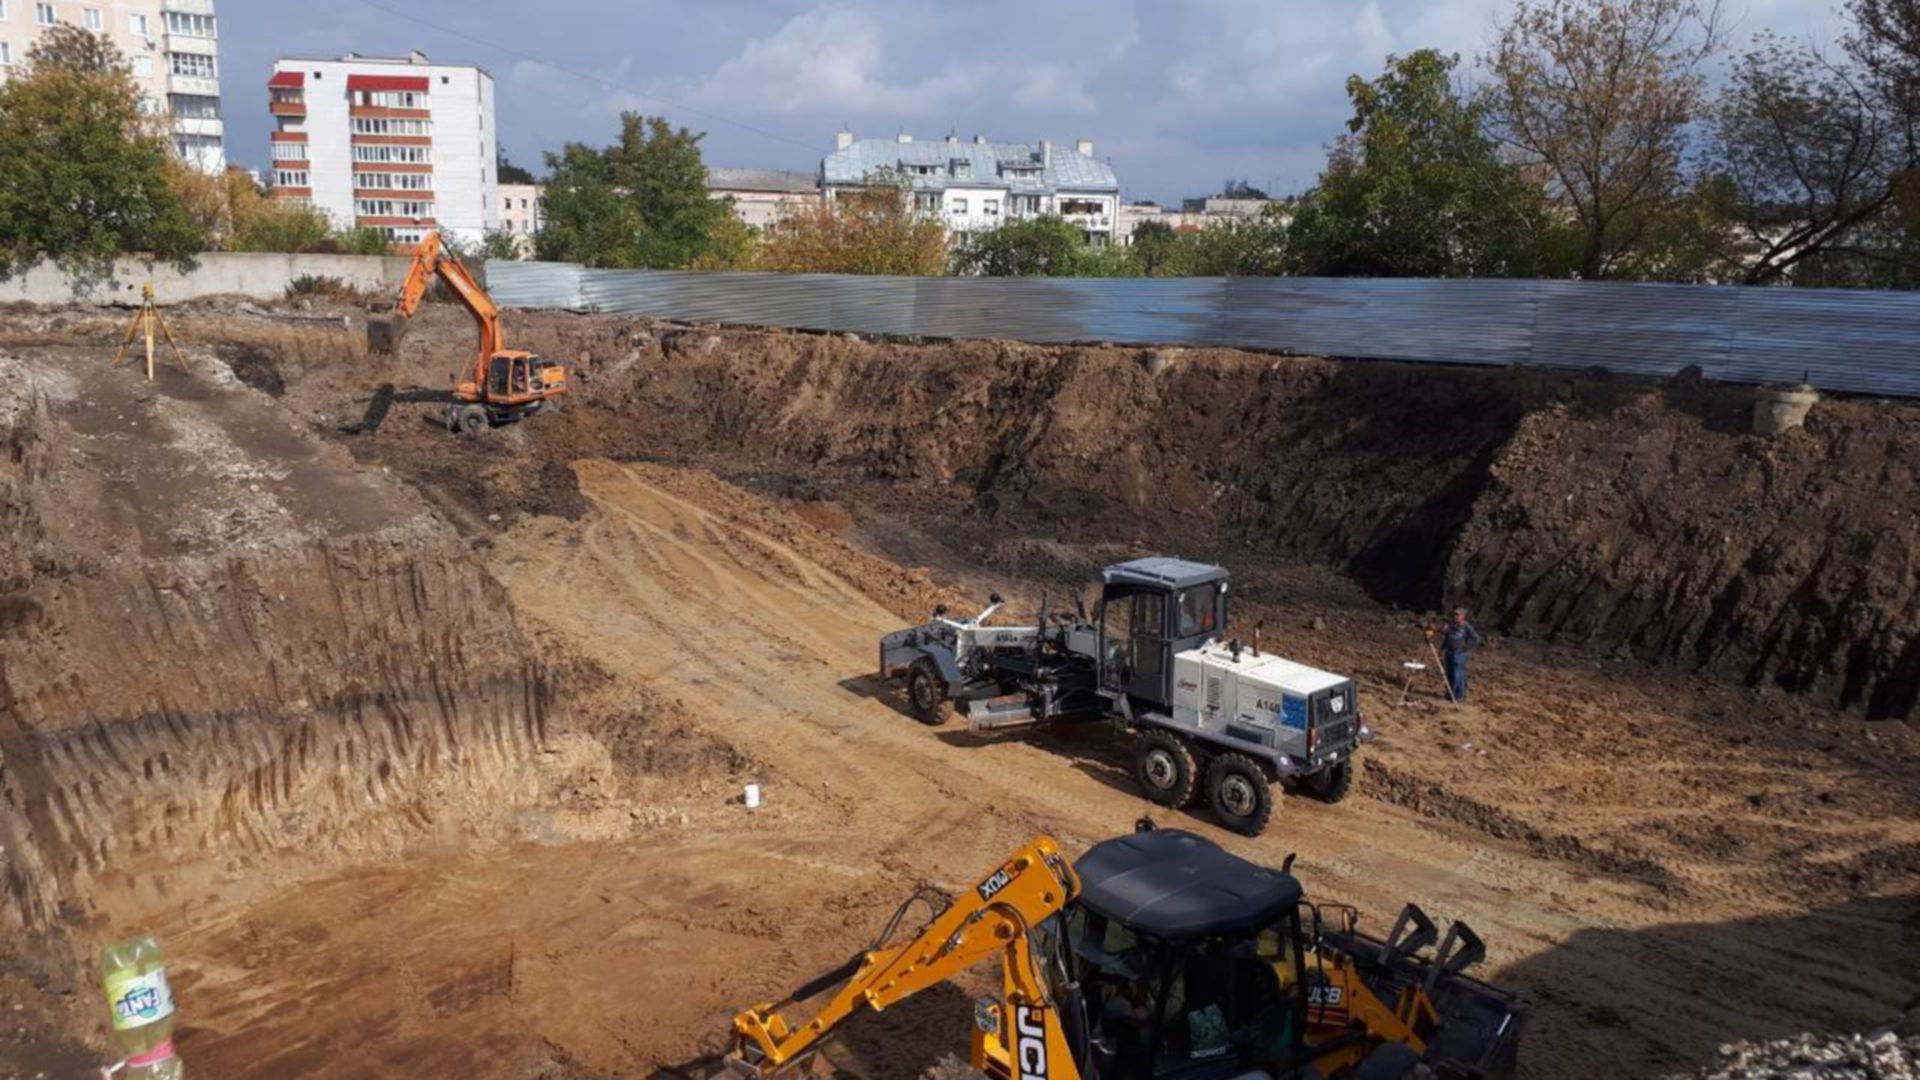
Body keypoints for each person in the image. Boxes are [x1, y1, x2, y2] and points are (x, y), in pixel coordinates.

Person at [1438, 608, 1484, 702]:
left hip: (1458, 654)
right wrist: (1442, 649)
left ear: (1463, 616)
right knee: (1449, 674)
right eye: (1454, 614)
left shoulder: (1466, 626)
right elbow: (1447, 637)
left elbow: (1477, 639)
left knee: (1458, 675)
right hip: (1449, 652)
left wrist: (1465, 648)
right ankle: (1450, 693)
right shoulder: (1451, 625)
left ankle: (1459, 696)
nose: (1455, 616)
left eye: (1457, 615)